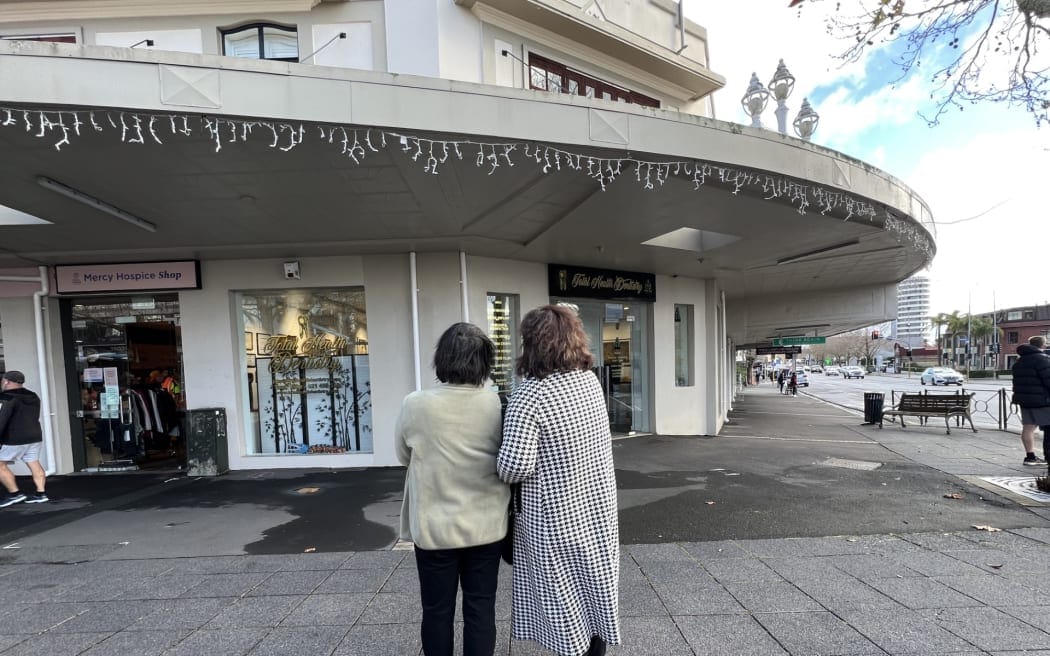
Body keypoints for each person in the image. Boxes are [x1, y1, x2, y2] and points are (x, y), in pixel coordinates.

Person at [498, 304, 620, 656]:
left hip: (553, 517)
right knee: (594, 588)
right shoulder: (589, 382)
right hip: (596, 506)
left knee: (563, 603)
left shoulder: (530, 395)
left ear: (531, 344)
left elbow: (514, 467)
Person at [395, 322, 509, 656]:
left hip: (433, 529)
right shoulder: (497, 404)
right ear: (485, 361)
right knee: (481, 609)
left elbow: (403, 455)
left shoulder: (415, 403)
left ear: (441, 359)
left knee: (436, 611)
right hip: (486, 527)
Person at [0, 371, 47, 507]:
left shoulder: (6, 398)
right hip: (34, 436)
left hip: (14, 438)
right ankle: (41, 493)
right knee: (33, 462)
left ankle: (14, 494)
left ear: (7, 381)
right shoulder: (33, 396)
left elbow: (2, 419)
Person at [1012, 335, 1050, 468]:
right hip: (1042, 400)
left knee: (1028, 428)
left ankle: (1030, 456)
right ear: (1042, 345)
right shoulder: (1042, 359)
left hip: (1024, 400)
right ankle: (1048, 457)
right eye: (1045, 343)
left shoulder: (1019, 361)